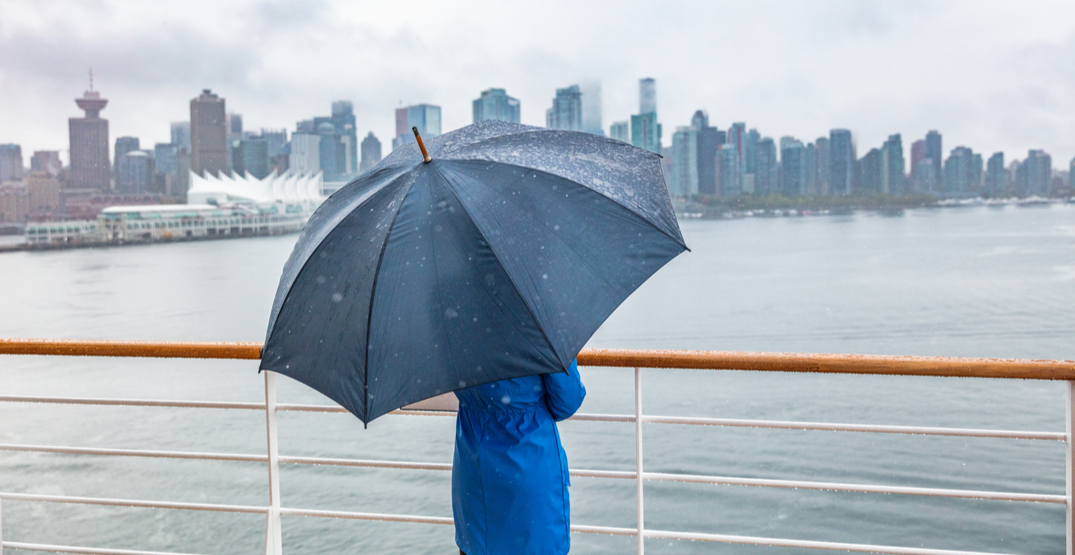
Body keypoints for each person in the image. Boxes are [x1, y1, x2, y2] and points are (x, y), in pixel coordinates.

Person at [452, 359, 587, 555]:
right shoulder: (538, 338)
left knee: (479, 546)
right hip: (528, 465)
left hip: (472, 467)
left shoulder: (454, 340)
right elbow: (567, 401)